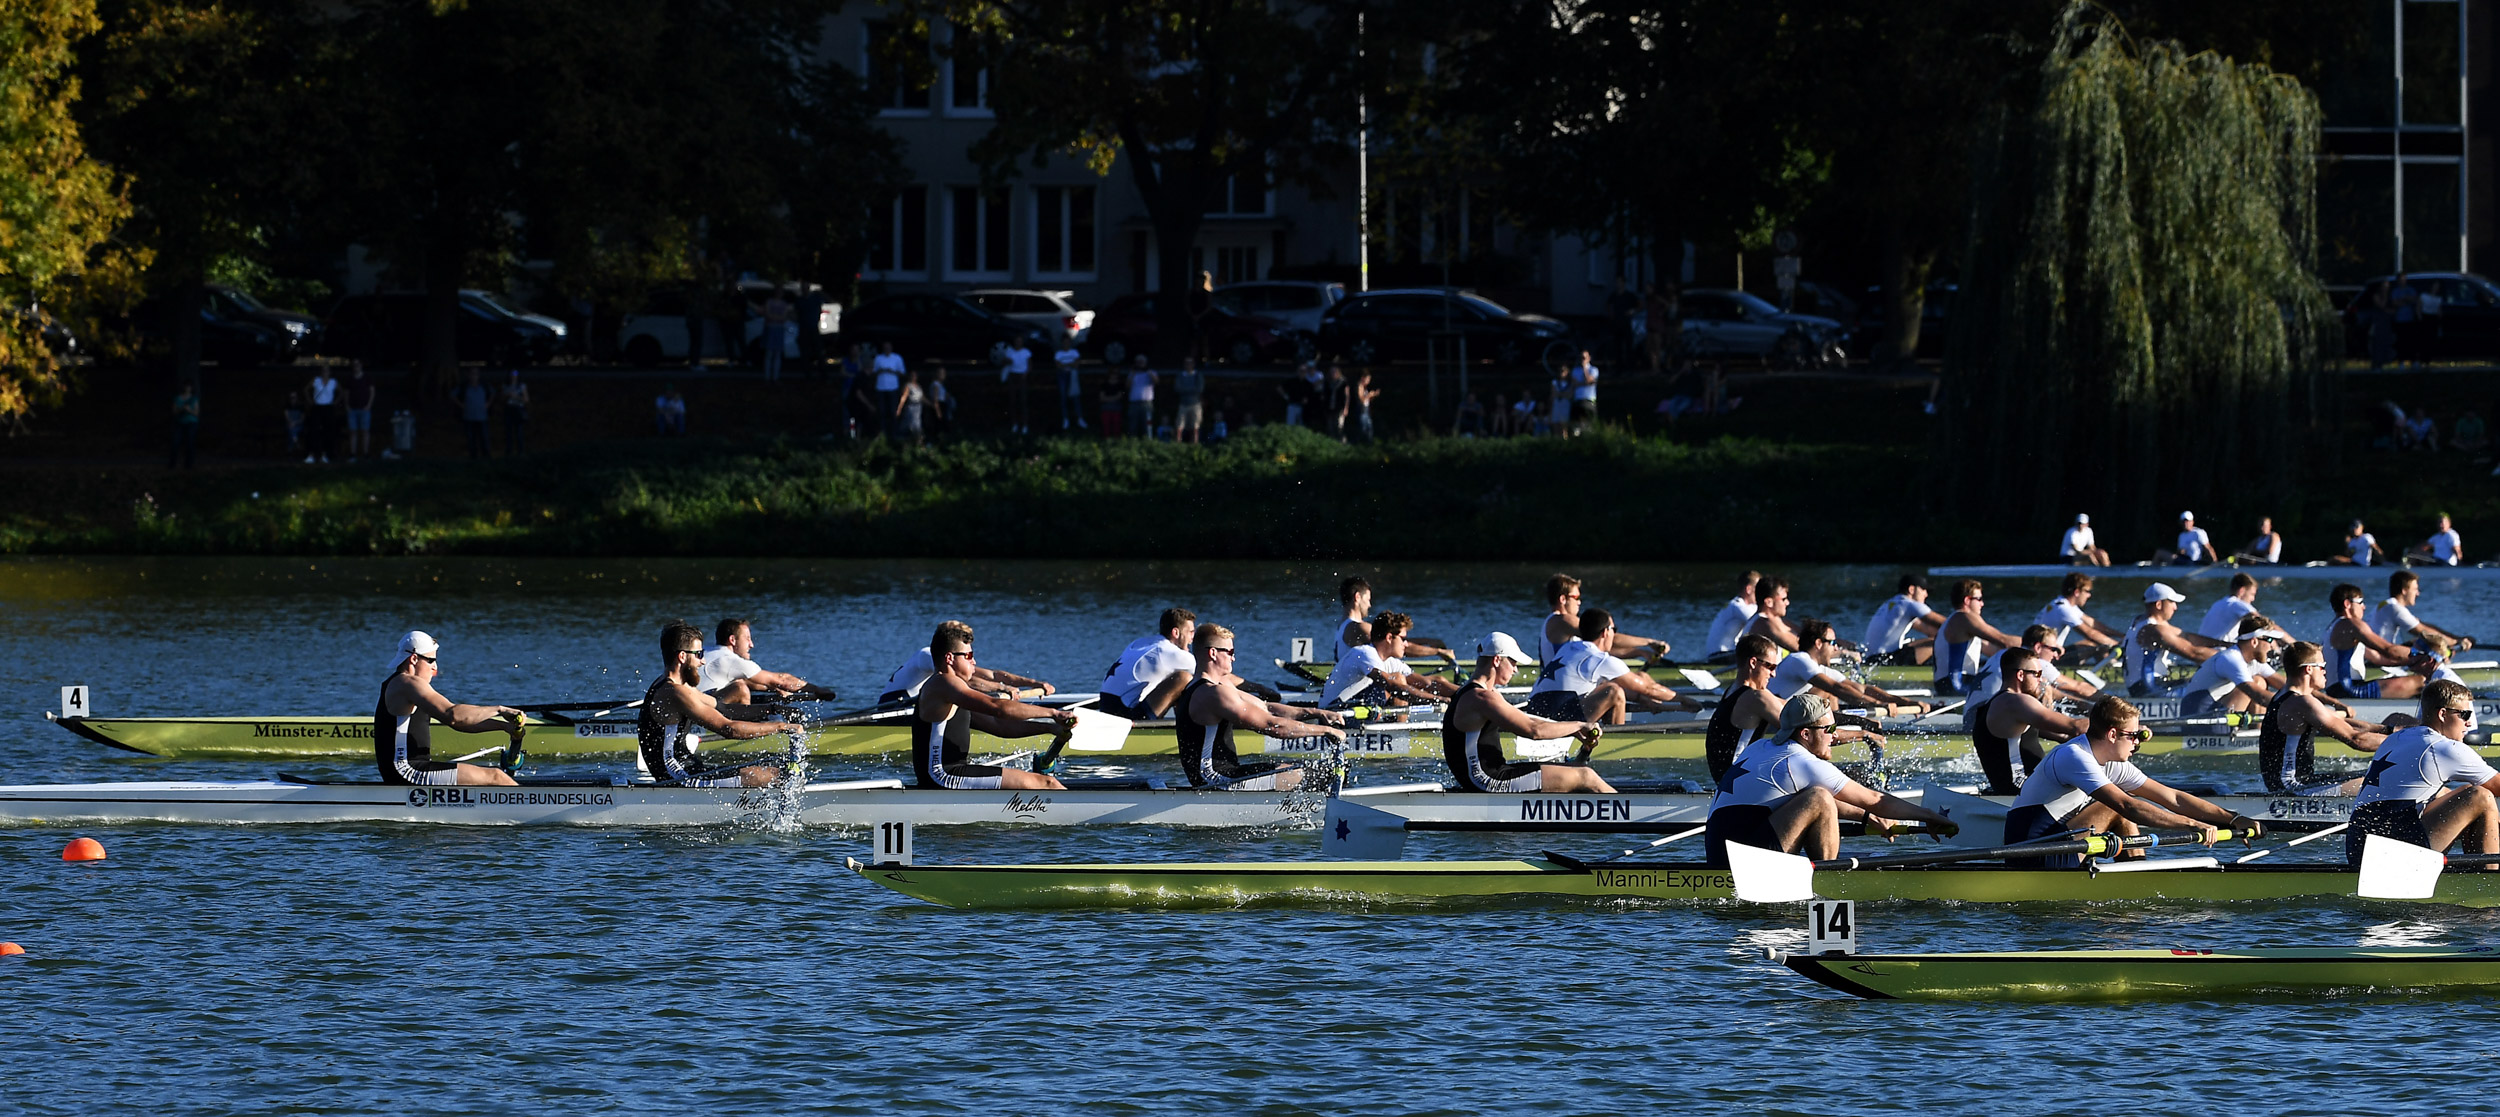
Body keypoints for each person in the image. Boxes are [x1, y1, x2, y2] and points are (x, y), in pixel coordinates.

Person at [1702, 694, 1956, 867]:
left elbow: (1795, 801)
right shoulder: (1800, 762)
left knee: (1818, 796)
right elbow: (1876, 799)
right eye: (1829, 730)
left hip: (1720, 855)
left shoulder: (1758, 748)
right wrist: (1928, 815)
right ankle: (1828, 879)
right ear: (1805, 734)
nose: (1834, 737)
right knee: (1819, 797)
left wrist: (1866, 818)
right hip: (1747, 865)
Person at [2003, 696, 2252, 867]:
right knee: (2118, 806)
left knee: (2123, 807)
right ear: (2113, 734)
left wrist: (2230, 818)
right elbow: (2128, 807)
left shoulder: (2112, 763)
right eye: (2134, 735)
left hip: (2059, 846)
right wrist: (2191, 824)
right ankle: (2137, 876)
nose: (2138, 742)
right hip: (2033, 854)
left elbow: (2173, 797)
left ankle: (2135, 871)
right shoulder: (2074, 756)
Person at [2346, 680, 2500, 865]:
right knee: (2481, 796)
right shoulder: (2444, 748)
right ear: (2442, 714)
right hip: (2392, 850)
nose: (2469, 723)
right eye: (2465, 714)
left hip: (2357, 847)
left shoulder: (2395, 738)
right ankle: (2489, 880)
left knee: (2448, 793)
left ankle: (2475, 867)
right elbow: (2497, 787)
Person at [1443, 632, 1614, 793]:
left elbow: (1527, 720)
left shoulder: (1472, 692)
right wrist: (1579, 724)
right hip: (1486, 780)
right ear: (1497, 660)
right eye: (1513, 663)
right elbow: (1534, 730)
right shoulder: (1482, 698)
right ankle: (1631, 817)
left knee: (1575, 770)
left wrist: (1575, 730)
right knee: (1586, 776)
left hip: (1487, 775)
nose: (1515, 670)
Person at [911, 621, 1073, 791]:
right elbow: (998, 707)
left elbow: (1000, 726)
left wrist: (1050, 728)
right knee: (1048, 784)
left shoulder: (956, 692)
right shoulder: (943, 683)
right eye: (968, 656)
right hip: (942, 776)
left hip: (951, 773)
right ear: (950, 658)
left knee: (1044, 782)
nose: (974, 661)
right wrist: (1054, 713)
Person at [1176, 623, 1340, 790]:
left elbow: (1266, 708)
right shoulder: (1212, 694)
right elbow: (1273, 726)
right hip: (1214, 780)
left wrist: (1318, 713)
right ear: (1213, 653)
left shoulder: (1214, 685)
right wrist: (1327, 731)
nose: (1234, 657)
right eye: (1230, 652)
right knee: (1317, 773)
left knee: (1301, 767)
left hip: (1227, 774)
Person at [638, 622, 798, 787]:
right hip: (676, 777)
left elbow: (724, 708)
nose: (703, 661)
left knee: (770, 772)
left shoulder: (673, 685)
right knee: (768, 776)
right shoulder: (675, 693)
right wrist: (780, 727)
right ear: (682, 657)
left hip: (687, 766)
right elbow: (729, 729)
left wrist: (772, 709)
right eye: (699, 654)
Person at [374, 630, 521, 787]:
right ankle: (531, 808)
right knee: (496, 777)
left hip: (409, 769)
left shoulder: (403, 684)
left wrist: (504, 726)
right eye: (431, 661)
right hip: (407, 771)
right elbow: (453, 715)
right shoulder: (407, 683)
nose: (435, 667)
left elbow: (461, 723)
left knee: (493, 776)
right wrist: (499, 710)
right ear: (414, 659)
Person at [2261, 641, 2404, 796]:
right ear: (2309, 669)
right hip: (2291, 787)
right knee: (2386, 778)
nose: (2325, 671)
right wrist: (2405, 740)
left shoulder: (2283, 696)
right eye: (2322, 666)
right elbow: (2356, 740)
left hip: (2291, 782)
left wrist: (2388, 730)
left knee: (2377, 771)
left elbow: (2341, 723)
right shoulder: (2302, 702)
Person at [1525, 608, 1692, 723]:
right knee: (1614, 692)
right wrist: (1684, 700)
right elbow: (1649, 689)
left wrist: (1647, 702)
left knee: (1608, 688)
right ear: (1606, 632)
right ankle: (1617, 742)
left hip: (1534, 710)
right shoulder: (1599, 660)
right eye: (1614, 629)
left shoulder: (1569, 648)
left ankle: (1606, 728)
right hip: (1554, 716)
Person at [1968, 647, 2088, 794]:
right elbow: (2076, 727)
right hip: (2022, 791)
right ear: (2020, 675)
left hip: (2026, 788)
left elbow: (2066, 736)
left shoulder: (2001, 703)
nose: (2042, 680)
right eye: (2037, 674)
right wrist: (2115, 722)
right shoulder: (2015, 702)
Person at [1768, 618, 1931, 716]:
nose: (1836, 648)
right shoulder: (1799, 659)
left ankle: (1833, 732)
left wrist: (1905, 702)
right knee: (1828, 691)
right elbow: (1836, 688)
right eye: (1832, 643)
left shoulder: (1819, 669)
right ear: (1818, 644)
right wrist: (1876, 705)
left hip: (1793, 720)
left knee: (1833, 691)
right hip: (1773, 724)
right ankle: (1832, 734)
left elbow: (1862, 689)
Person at [1324, 611, 1463, 709]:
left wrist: (1468, 692)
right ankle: (1401, 739)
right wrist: (1439, 700)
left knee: (1431, 680)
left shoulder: (1391, 662)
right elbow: (1393, 686)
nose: (1406, 644)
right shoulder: (1364, 653)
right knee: (1398, 680)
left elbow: (1429, 683)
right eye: (1403, 639)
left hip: (1354, 709)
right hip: (1334, 713)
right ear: (1389, 638)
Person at [2326, 582, 2436, 701]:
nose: (2364, 607)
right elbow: (2389, 650)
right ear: (2347, 604)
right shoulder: (2351, 625)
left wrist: (2414, 661)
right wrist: (2429, 654)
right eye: (2360, 602)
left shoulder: (2332, 627)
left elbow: (2379, 658)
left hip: (2337, 689)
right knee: (2421, 681)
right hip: (2348, 690)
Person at [1538, 573, 1669, 666]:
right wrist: (1650, 642)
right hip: (1560, 692)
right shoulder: (1561, 621)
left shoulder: (1566, 627)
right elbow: (1609, 637)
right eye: (1576, 597)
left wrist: (1640, 652)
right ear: (1563, 599)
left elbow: (1604, 647)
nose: (1579, 602)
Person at [698, 618, 838, 704]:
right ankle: (748, 731)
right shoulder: (731, 661)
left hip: (690, 711)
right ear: (733, 640)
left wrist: (774, 689)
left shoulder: (706, 651)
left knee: (740, 683)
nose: (751, 644)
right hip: (701, 718)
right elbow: (781, 680)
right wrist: (817, 690)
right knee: (740, 690)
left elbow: (750, 681)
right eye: (747, 638)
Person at [1705, 635, 1784, 783]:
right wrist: (1834, 732)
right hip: (1738, 786)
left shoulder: (1732, 691)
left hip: (1728, 782)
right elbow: (1803, 730)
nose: (1774, 674)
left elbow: (1788, 704)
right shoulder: (1756, 698)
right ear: (1753, 663)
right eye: (1771, 667)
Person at [878, 639, 1052, 704]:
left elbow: (993, 675)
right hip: (895, 704)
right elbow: (963, 682)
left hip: (918, 704)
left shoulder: (956, 659)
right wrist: (1003, 689)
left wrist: (1034, 683)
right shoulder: (928, 655)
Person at [2123, 583, 2220, 697]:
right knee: (2212, 685)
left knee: (2191, 680)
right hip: (2150, 690)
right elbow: (2193, 653)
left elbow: (2186, 637)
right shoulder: (2154, 631)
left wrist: (2223, 644)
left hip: (2140, 687)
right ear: (2159, 604)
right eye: (2172, 602)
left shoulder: (2139, 621)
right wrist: (2231, 656)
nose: (2175, 607)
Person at [2179, 616, 2289, 716]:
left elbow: (2287, 685)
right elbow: (2259, 696)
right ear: (2254, 641)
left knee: (2259, 681)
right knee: (2256, 684)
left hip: (2215, 713)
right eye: (2269, 640)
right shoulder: (2231, 659)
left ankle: (2258, 732)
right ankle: (2257, 734)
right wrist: (2296, 706)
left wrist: (2304, 694)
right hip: (2197, 720)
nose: (2272, 646)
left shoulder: (2254, 661)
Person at [1101, 608, 1199, 719]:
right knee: (1184, 678)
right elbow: (1210, 674)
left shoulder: (1139, 643)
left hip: (1106, 706)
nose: (1193, 638)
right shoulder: (1172, 653)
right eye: (1191, 632)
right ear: (1175, 632)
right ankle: (1188, 729)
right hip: (1124, 716)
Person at [1967, 624, 2097, 706]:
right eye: (2053, 649)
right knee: (2046, 688)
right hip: (1990, 718)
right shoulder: (2034, 662)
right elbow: (2079, 687)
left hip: (1974, 713)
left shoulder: (2003, 653)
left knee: (2043, 684)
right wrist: (2107, 702)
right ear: (2038, 647)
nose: (2056, 655)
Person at [1328, 577, 1452, 661]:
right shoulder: (1359, 627)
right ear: (1358, 597)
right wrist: (1439, 652)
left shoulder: (1343, 625)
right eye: (1368, 600)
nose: (1370, 605)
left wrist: (1428, 642)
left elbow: (1395, 640)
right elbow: (1398, 646)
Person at [1933, 578, 2020, 695]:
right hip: (1957, 687)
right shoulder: (1963, 618)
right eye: (1979, 599)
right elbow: (2004, 641)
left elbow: (1995, 650)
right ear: (1967, 600)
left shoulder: (1955, 622)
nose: (1982, 604)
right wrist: (2037, 642)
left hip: (1949, 685)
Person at [2375, 569, 2476, 655]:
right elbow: (2426, 633)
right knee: (2427, 644)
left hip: (2378, 653)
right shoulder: (2396, 609)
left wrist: (2457, 638)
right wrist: (2456, 641)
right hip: (2379, 659)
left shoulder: (2385, 605)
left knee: (2419, 643)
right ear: (2404, 591)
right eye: (2415, 589)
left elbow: (2424, 626)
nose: (2418, 593)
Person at [1862, 574, 1942, 665]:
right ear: (1911, 589)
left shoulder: (1891, 604)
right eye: (1923, 590)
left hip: (1871, 659)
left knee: (1936, 638)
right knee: (1940, 641)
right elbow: (1946, 623)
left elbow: (1929, 631)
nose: (1926, 594)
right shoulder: (1910, 605)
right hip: (1885, 661)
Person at [2033, 571, 2119, 649]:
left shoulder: (2063, 604)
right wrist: (2118, 645)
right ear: (2077, 592)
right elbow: (2090, 633)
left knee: (2098, 642)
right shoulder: (2064, 609)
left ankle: (2111, 663)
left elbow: (2093, 623)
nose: (2089, 595)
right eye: (2087, 591)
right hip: (2049, 656)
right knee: (2094, 643)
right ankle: (2111, 664)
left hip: (2049, 651)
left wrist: (2121, 635)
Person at [1704, 571, 1762, 662]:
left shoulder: (1745, 606)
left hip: (1728, 653)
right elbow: (1760, 622)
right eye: (1759, 590)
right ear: (1749, 589)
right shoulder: (1737, 607)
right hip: (1718, 655)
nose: (1761, 594)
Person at [2194, 573, 2261, 642]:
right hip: (2219, 649)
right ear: (2242, 591)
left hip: (2202, 646)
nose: (2253, 599)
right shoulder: (2236, 604)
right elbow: (2259, 620)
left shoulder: (2218, 604)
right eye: (2252, 594)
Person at [304, 365, 339, 463]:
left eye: (327, 371)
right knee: (314, 430)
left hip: (328, 408)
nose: (325, 372)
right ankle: (311, 454)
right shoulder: (316, 380)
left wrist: (335, 402)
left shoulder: (333, 382)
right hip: (317, 407)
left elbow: (341, 392)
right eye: (323, 370)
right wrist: (310, 401)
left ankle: (325, 454)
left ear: (330, 372)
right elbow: (306, 389)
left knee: (327, 431)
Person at [343, 361, 376, 459]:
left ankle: (365, 453)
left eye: (358, 364)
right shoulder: (350, 378)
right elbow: (346, 393)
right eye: (354, 365)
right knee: (353, 431)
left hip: (364, 409)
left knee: (365, 431)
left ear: (361, 365)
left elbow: (372, 391)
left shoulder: (367, 377)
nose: (356, 366)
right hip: (352, 409)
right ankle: (353, 453)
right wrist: (347, 406)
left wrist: (369, 405)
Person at [454, 368, 490, 459]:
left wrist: (488, 403)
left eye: (476, 374)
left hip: (482, 417)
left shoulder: (483, 385)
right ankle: (473, 457)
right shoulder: (464, 386)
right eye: (472, 374)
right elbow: (452, 395)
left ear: (478, 375)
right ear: (469, 375)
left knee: (484, 438)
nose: (474, 376)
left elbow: (492, 393)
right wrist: (461, 405)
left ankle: (486, 457)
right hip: (469, 417)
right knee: (471, 439)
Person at [872, 342, 904, 438]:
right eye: (885, 348)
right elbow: (873, 372)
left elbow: (902, 373)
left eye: (888, 347)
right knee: (882, 412)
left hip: (893, 388)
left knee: (893, 411)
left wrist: (892, 371)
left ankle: (894, 433)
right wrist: (880, 371)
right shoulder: (878, 358)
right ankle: (883, 433)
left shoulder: (897, 358)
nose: (887, 349)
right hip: (881, 388)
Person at [760, 288, 792, 382]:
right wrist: (778, 318)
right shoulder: (769, 302)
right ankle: (767, 376)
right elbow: (768, 314)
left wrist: (774, 317)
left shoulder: (783, 304)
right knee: (769, 354)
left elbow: (783, 316)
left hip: (778, 330)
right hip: (771, 329)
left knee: (777, 354)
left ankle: (775, 377)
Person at [1002, 335, 1032, 434]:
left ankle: (1025, 425)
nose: (1018, 343)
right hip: (1012, 376)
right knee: (1012, 401)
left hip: (1022, 376)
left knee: (1023, 401)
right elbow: (1004, 362)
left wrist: (1025, 374)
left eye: (1020, 341)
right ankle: (1014, 424)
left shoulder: (1026, 352)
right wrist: (1007, 361)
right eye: (1017, 341)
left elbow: (1029, 365)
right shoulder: (1010, 352)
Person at [1123, 353, 1157, 438]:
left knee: (1147, 424)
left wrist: (1148, 371)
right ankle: (1132, 442)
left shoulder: (1151, 372)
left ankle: (1148, 442)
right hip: (1134, 403)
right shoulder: (1132, 373)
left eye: (1142, 362)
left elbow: (1156, 382)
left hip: (1146, 403)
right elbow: (1127, 386)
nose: (1140, 364)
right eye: (1138, 362)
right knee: (1132, 424)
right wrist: (1134, 372)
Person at [1054, 341, 1086, 431]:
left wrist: (1064, 365)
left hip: (1072, 376)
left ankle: (1079, 418)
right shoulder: (1059, 353)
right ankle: (1065, 419)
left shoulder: (1074, 352)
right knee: (1063, 398)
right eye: (1064, 342)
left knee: (1075, 397)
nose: (1066, 344)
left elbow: (1076, 364)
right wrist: (1070, 364)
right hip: (1062, 376)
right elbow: (1058, 365)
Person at [1172, 357, 1206, 444]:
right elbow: (1177, 388)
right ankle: (1178, 444)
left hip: (1195, 404)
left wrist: (1185, 389)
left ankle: (1194, 444)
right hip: (1183, 404)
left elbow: (1200, 389)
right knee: (1179, 426)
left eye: (1190, 363)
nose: (1188, 365)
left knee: (1195, 426)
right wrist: (1192, 389)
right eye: (1187, 363)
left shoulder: (1198, 375)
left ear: (1193, 364)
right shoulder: (1180, 375)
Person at [1567, 350, 1599, 435]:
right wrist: (1584, 383)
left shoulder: (1593, 369)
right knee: (1577, 427)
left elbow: (1589, 380)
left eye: (1584, 358)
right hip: (1578, 401)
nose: (1582, 360)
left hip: (1589, 401)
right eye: (1581, 358)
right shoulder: (1575, 370)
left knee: (1590, 425)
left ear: (1589, 358)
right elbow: (1574, 384)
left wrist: (1585, 368)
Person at [169, 380, 200, 469]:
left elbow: (197, 413)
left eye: (189, 386)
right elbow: (174, 411)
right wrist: (181, 409)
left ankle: (188, 465)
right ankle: (172, 464)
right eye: (186, 386)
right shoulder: (178, 398)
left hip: (191, 423)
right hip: (179, 423)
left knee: (190, 443)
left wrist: (189, 410)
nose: (187, 388)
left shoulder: (194, 398)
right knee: (175, 443)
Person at [1276, 362, 1317, 428]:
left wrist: (1307, 400)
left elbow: (1312, 395)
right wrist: (1285, 396)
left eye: (1304, 371)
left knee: (1302, 426)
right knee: (1290, 425)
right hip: (1292, 405)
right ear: (1298, 371)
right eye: (1301, 371)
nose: (1302, 372)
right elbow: (1279, 388)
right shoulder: (1292, 381)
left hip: (1304, 408)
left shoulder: (1308, 384)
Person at [500, 369, 530, 456]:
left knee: (519, 432)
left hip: (518, 409)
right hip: (509, 409)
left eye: (515, 373)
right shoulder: (505, 386)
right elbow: (502, 399)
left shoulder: (521, 386)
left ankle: (520, 451)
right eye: (511, 374)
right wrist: (507, 396)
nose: (513, 375)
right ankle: (509, 451)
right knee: (509, 432)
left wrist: (516, 396)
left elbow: (526, 399)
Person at [894, 368, 926, 446]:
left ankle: (917, 443)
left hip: (918, 408)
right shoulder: (908, 386)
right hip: (911, 407)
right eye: (912, 375)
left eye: (915, 375)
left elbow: (922, 397)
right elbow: (903, 398)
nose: (913, 377)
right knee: (912, 425)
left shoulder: (918, 386)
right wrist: (899, 409)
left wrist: (931, 405)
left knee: (917, 425)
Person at [1349, 370, 1379, 443]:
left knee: (1369, 426)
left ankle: (1368, 442)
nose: (1368, 381)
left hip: (1366, 409)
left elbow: (1366, 399)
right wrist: (1370, 395)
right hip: (1361, 409)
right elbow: (1361, 399)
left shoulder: (1364, 387)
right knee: (1363, 427)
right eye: (1368, 379)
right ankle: (1360, 442)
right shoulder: (1359, 386)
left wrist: (1373, 395)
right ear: (1363, 378)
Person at [1322, 364, 1351, 441]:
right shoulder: (1328, 382)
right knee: (1330, 425)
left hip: (1339, 407)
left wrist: (1346, 408)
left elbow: (1347, 396)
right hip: (1330, 407)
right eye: (1331, 372)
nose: (1333, 374)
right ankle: (1332, 441)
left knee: (1339, 426)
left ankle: (1342, 441)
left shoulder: (1343, 382)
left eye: (1334, 372)